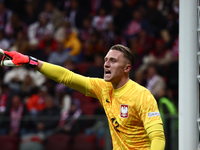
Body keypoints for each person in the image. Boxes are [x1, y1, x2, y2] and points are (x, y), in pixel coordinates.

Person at [0, 44, 165, 150]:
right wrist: (30, 61)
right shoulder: (103, 88)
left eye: (113, 61)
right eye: (106, 60)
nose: (106, 64)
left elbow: (157, 137)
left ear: (127, 68)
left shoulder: (142, 95)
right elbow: (66, 77)